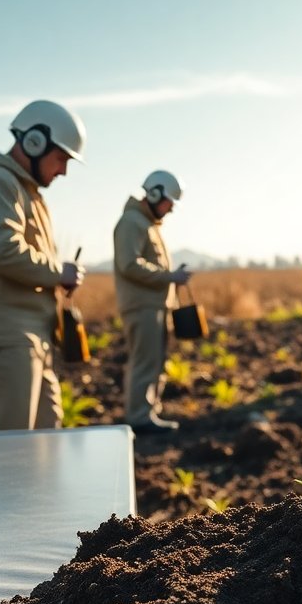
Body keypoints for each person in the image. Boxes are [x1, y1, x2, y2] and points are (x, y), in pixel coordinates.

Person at [0, 99, 86, 431]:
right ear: (34, 142)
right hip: (5, 339)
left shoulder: (23, 191)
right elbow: (0, 250)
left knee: (43, 449)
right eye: (61, 159)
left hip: (28, 336)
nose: (63, 171)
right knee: (5, 461)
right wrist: (58, 272)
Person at [114, 170, 193, 434]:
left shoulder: (146, 224)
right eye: (169, 203)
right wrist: (170, 276)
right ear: (155, 193)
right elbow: (129, 264)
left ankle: (148, 412)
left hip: (154, 306)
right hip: (142, 307)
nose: (170, 210)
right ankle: (138, 417)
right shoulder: (132, 223)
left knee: (155, 361)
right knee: (145, 362)